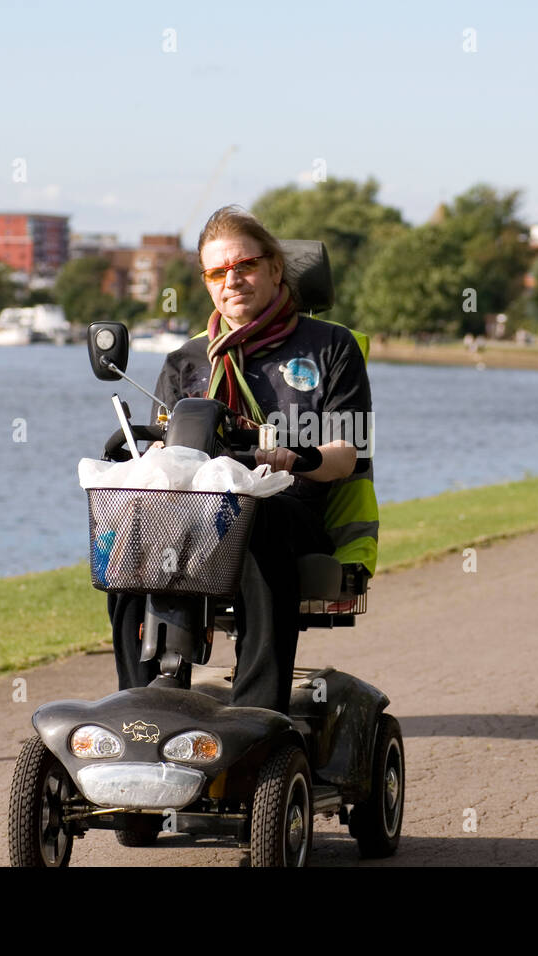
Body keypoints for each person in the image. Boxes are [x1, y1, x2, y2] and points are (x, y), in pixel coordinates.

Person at [106, 206, 374, 713]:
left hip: (288, 507)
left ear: (275, 268)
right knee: (132, 526)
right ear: (207, 282)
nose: (233, 280)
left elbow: (347, 457)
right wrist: (155, 454)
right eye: (217, 272)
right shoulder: (185, 361)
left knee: (254, 515)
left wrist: (295, 457)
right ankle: (139, 704)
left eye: (245, 265)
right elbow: (164, 455)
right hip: (197, 511)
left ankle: (257, 713)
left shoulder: (332, 347)